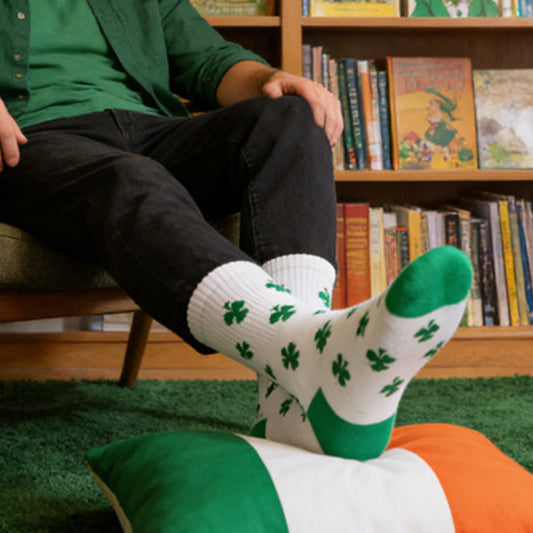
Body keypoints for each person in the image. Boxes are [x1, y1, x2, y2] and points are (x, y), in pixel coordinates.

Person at [0, 0, 471, 461]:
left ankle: (289, 404)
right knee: (129, 178)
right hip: (33, 143)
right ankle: (314, 362)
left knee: (291, 118)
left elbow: (211, 60)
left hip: (152, 131)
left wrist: (271, 79)